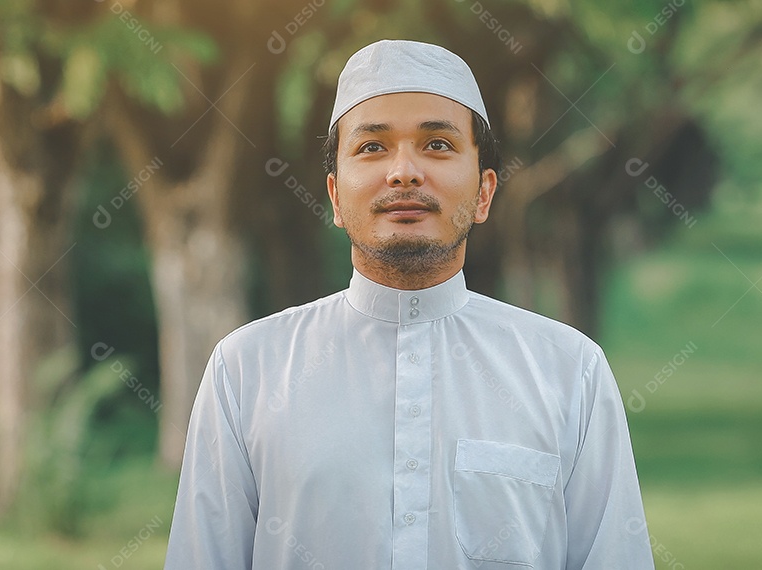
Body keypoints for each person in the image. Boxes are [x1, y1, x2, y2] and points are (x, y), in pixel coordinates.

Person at [164, 39, 654, 569]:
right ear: (334, 196)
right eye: (372, 147)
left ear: (484, 193)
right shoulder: (247, 371)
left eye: (437, 145)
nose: (403, 172)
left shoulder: (568, 371)